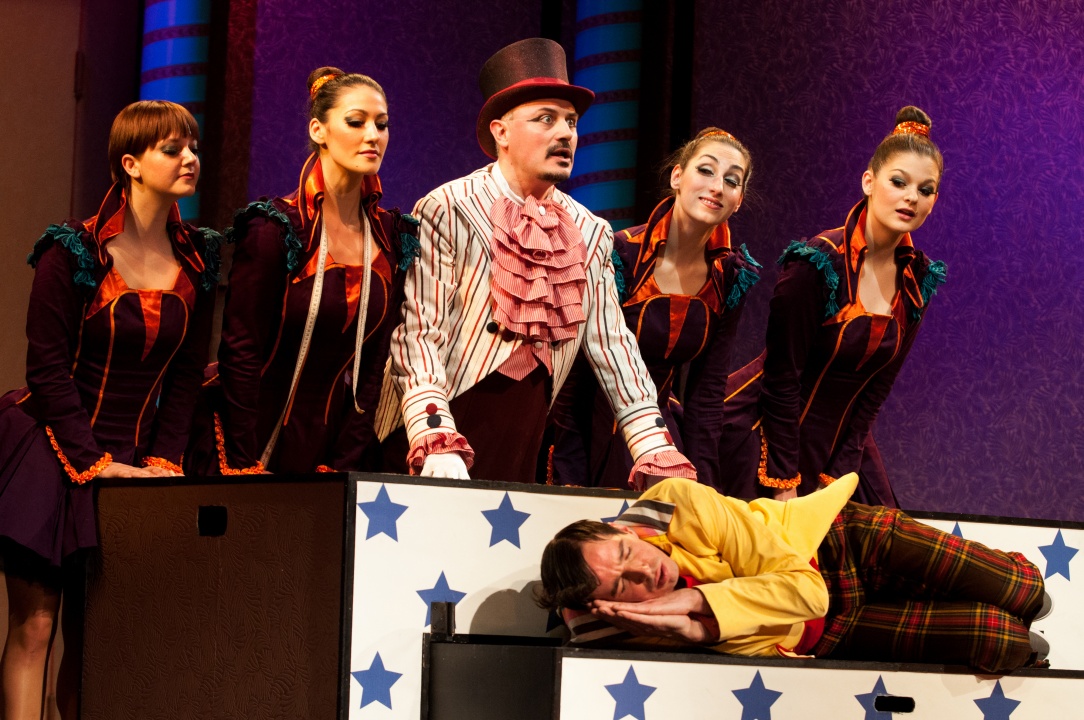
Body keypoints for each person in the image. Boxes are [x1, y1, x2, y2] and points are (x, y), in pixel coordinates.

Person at [376, 38, 696, 487]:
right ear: (501, 132)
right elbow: (418, 333)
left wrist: (653, 446)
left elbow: (612, 345)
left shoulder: (589, 230)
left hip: (524, 428)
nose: (565, 134)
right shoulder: (450, 207)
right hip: (438, 426)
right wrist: (434, 433)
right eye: (545, 119)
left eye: (571, 121)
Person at [0, 101, 219, 719]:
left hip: (135, 462)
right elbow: (46, 369)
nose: (189, 158)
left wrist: (163, 461)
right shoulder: (73, 251)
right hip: (53, 451)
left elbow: (186, 376)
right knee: (36, 627)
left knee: (95, 638)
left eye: (193, 147)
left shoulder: (198, 257)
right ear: (131, 163)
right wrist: (92, 461)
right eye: (172, 149)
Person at [538, 476, 1048, 674]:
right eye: (624, 584)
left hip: (838, 547)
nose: (645, 570)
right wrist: (697, 632)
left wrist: (699, 602)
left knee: (1020, 589)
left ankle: (1021, 591)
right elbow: (763, 644)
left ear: (621, 528)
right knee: (999, 639)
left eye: (627, 550)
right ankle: (1020, 635)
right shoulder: (634, 630)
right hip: (824, 635)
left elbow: (807, 587)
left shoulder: (676, 502)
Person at [185, 67, 417, 475]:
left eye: (381, 125)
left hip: (332, 448)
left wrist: (345, 460)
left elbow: (373, 370)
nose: (373, 135)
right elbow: (241, 353)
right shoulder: (275, 229)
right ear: (318, 130)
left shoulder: (391, 237)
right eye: (356, 122)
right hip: (243, 441)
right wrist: (243, 463)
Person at [716, 106, 947, 505]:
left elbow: (876, 391)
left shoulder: (917, 279)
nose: (911, 197)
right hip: (768, 435)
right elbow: (782, 379)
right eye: (898, 182)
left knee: (880, 533)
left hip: (842, 447)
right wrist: (783, 479)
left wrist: (838, 475)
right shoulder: (818, 263)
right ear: (869, 182)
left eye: (925, 190)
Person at [549, 128, 761, 488]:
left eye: (731, 181)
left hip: (661, 431)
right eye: (705, 170)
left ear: (738, 199)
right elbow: (574, 376)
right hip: (589, 427)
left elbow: (706, 395)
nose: (717, 187)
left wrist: (705, 487)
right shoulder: (621, 253)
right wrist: (569, 474)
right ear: (677, 177)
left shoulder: (730, 277)